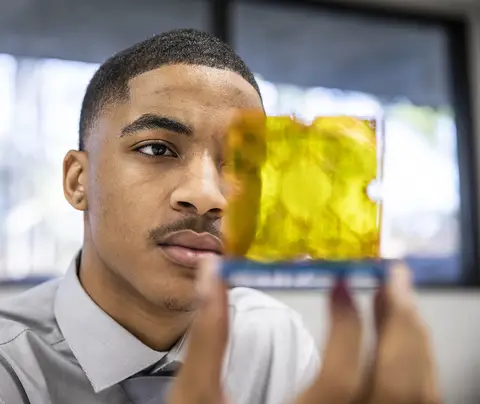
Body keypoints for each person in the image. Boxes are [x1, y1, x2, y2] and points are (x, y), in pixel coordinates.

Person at [0, 29, 439, 404]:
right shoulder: (10, 366)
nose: (208, 197)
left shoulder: (274, 340)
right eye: (157, 148)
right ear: (78, 181)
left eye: (244, 164)